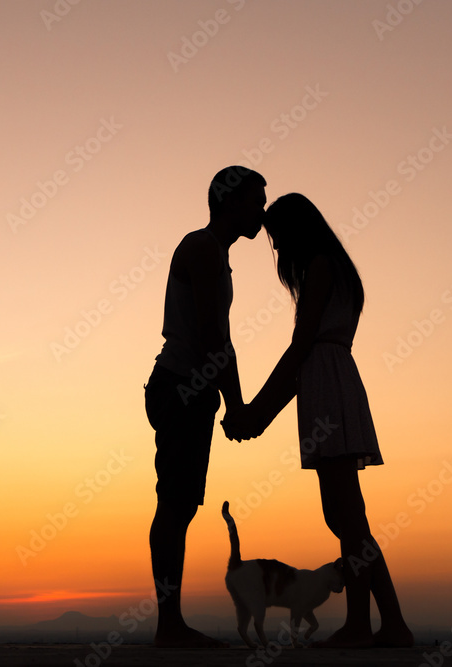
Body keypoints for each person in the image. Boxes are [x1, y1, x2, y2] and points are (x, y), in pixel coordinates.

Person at [221, 193, 414, 648]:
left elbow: (300, 348)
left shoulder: (322, 266)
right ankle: (393, 624)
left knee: (346, 516)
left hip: (329, 387)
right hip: (327, 384)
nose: (276, 248)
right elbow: (301, 356)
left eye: (278, 236)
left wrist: (255, 414)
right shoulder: (330, 268)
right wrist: (258, 415)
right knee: (348, 517)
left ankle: (361, 626)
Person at [144, 166, 266, 647]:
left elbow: (221, 338)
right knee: (174, 505)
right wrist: (236, 405)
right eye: (256, 200)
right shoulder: (201, 248)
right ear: (230, 203)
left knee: (181, 505)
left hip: (192, 392)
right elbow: (215, 335)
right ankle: (168, 625)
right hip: (180, 389)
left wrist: (232, 402)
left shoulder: (216, 253)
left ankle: (170, 623)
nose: (262, 209)